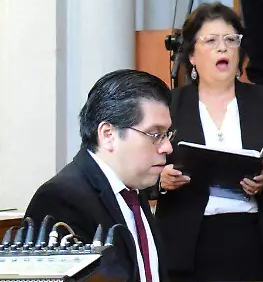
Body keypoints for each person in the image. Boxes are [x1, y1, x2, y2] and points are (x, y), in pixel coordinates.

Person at [155, 3, 263, 281]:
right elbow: (140, 168)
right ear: (193, 56)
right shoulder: (169, 105)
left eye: (231, 40)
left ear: (240, 52)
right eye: (211, 41)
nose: (223, 48)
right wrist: (161, 180)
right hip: (189, 243)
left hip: (256, 239)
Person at [25, 70, 173, 282]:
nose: (167, 147)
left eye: (167, 134)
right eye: (155, 134)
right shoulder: (60, 199)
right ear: (108, 135)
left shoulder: (132, 190)